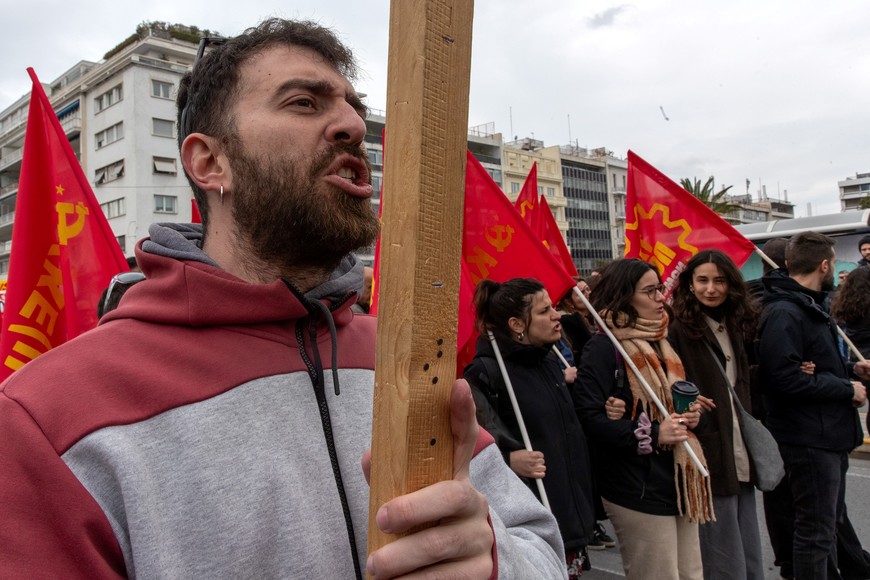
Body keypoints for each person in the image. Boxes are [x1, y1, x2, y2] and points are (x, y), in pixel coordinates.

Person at [0, 19, 567, 578]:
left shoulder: (406, 357)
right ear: (209, 163)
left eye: (352, 105)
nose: (351, 124)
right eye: (303, 103)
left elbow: (540, 546)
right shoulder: (48, 418)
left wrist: (494, 560)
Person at [574, 258, 712, 580]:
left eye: (660, 288)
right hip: (636, 486)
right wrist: (651, 432)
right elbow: (589, 418)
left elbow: (679, 407)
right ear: (624, 297)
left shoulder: (664, 341)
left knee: (690, 574)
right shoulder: (604, 348)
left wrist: (692, 417)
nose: (660, 298)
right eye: (649, 291)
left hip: (678, 480)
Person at [463, 278, 595, 578]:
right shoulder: (486, 372)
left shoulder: (549, 361)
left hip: (569, 510)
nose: (556, 315)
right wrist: (510, 460)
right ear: (517, 324)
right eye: (544, 310)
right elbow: (474, 439)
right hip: (529, 520)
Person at [758, 231, 870, 579]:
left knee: (826, 526)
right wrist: (845, 387)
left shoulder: (808, 305)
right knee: (815, 533)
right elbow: (784, 378)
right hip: (809, 437)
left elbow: (812, 365)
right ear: (824, 265)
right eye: (834, 263)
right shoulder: (785, 311)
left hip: (826, 434)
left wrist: (851, 368)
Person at [669, 250, 764, 580]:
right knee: (721, 551)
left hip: (740, 445)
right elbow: (672, 384)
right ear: (690, 284)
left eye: (719, 280)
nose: (711, 288)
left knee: (749, 543)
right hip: (709, 448)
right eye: (703, 280)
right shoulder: (679, 328)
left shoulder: (734, 323)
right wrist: (690, 399)